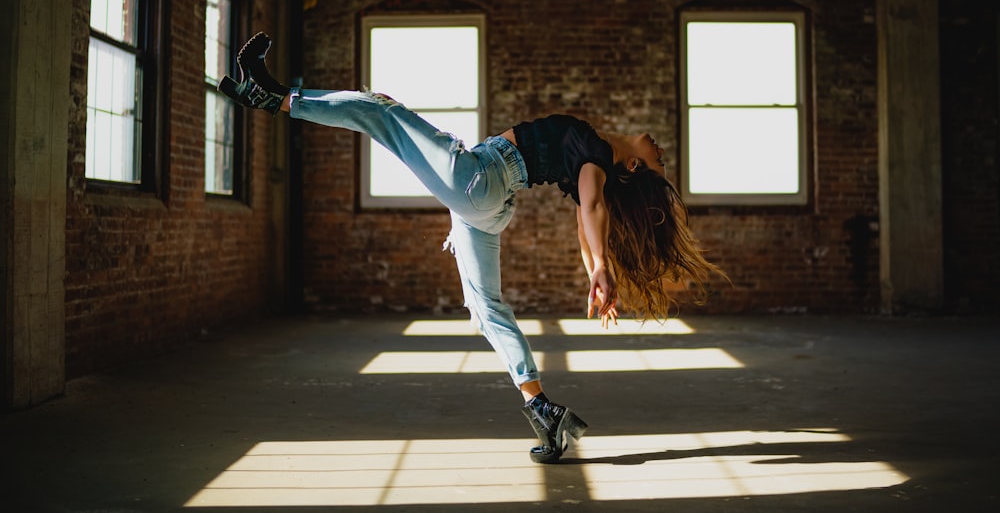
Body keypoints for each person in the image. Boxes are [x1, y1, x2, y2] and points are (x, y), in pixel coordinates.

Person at [220, 32, 727, 463]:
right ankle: (543, 412)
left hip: (481, 178)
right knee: (486, 308)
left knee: (380, 110)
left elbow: (592, 209)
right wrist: (596, 266)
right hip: (487, 203)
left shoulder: (593, 153)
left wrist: (601, 270)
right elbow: (585, 216)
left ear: (634, 168)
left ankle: (274, 97)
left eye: (657, 160)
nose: (659, 149)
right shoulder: (588, 159)